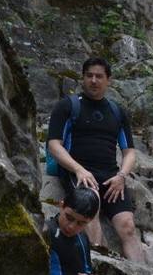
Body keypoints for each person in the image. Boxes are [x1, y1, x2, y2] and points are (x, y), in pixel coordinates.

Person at [46, 56, 145, 261]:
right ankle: (99, 265)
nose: (93, 80)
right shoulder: (68, 106)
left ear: (108, 80)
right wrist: (78, 169)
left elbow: (129, 152)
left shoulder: (117, 112)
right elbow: (54, 145)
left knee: (127, 226)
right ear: (82, 78)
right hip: (78, 172)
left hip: (111, 176)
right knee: (91, 213)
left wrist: (122, 176)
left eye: (99, 76)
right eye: (89, 75)